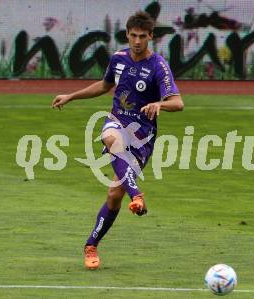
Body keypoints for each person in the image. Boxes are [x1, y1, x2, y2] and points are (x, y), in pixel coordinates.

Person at [51, 11, 184, 270]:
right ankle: (137, 196)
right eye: (133, 36)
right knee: (111, 138)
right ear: (127, 34)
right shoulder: (118, 59)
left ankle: (92, 243)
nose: (137, 41)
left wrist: (159, 104)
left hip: (143, 136)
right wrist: (71, 96)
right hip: (117, 121)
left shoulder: (158, 66)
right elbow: (104, 85)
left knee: (113, 195)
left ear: (151, 36)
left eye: (142, 36)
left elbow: (178, 103)